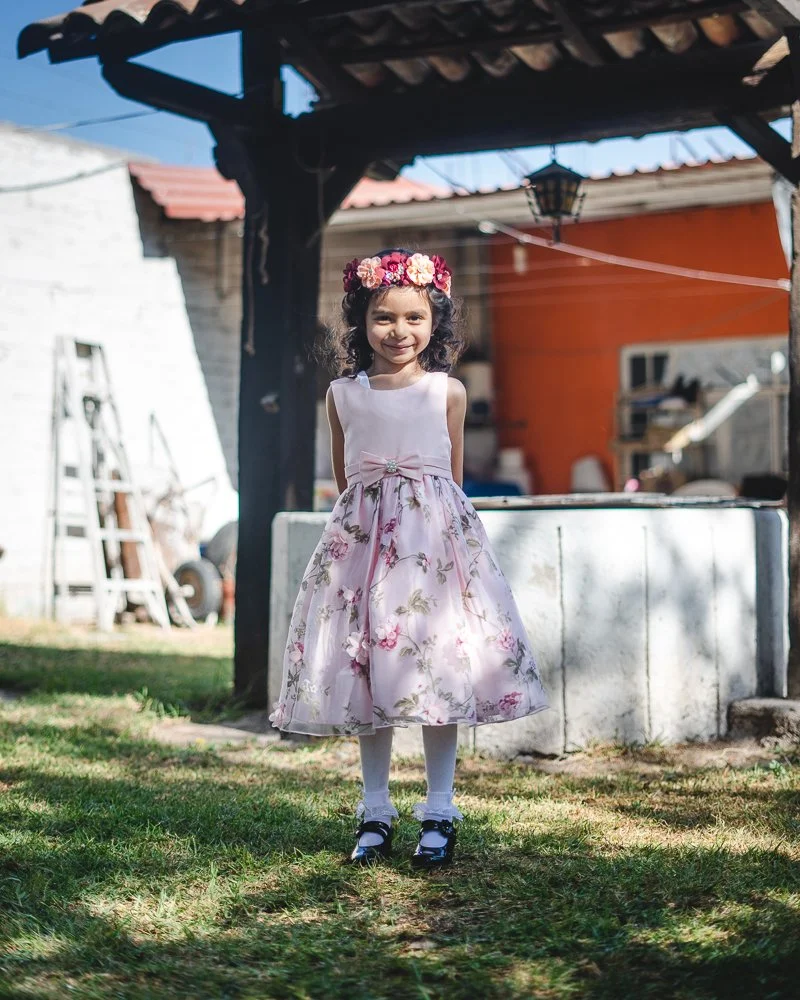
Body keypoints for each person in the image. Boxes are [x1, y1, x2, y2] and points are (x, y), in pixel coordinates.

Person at [269, 248, 549, 868]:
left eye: (415, 318)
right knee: (371, 670)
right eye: (384, 318)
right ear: (361, 321)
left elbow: (448, 480)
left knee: (436, 671)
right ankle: (375, 811)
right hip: (365, 545)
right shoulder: (344, 394)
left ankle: (440, 809)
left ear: (436, 321)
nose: (400, 332)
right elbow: (346, 474)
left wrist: (437, 533)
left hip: (433, 553)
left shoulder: (447, 392)